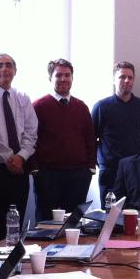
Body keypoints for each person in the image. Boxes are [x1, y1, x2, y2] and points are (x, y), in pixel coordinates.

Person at [0, 53, 38, 245]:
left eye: (9, 65)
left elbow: (31, 131)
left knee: (14, 227)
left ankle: (12, 262)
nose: (4, 68)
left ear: (15, 71)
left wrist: (21, 156)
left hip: (20, 169)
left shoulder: (23, 98)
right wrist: (10, 158)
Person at [31, 59, 95, 221]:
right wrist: (35, 169)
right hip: (48, 175)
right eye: (58, 75)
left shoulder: (81, 107)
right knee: (46, 221)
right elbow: (31, 138)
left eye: (67, 75)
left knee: (73, 222)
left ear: (72, 78)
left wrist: (90, 168)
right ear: (50, 78)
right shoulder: (38, 106)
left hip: (78, 175)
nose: (63, 79)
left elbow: (90, 137)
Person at [92, 61, 140, 202]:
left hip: (135, 169)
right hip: (110, 170)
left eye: (130, 77)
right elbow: (91, 138)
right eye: (122, 77)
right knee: (109, 211)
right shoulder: (101, 106)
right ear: (114, 80)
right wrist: (100, 162)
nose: (126, 81)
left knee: (134, 209)